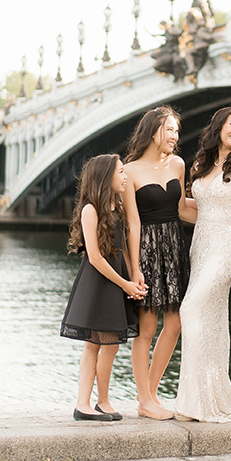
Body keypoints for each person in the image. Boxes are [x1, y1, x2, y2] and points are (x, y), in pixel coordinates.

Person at [174, 106, 231, 422]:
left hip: (228, 245)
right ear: (218, 126)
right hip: (200, 245)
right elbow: (193, 211)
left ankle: (201, 400)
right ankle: (199, 400)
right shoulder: (200, 163)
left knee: (191, 309)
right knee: (211, 318)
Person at [60, 154, 144, 422]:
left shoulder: (116, 207)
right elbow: (95, 257)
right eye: (120, 172)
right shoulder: (90, 210)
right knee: (96, 345)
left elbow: (121, 248)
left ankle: (100, 401)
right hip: (98, 283)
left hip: (116, 280)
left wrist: (134, 277)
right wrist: (125, 284)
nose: (125, 176)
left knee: (108, 345)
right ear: (105, 176)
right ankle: (86, 403)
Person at [124, 106, 191, 420]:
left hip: (175, 248)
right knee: (146, 329)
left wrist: (224, 213)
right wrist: (136, 267)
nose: (175, 137)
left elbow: (180, 209)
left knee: (175, 325)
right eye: (169, 130)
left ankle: (148, 395)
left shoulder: (178, 164)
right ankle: (146, 399)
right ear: (152, 131)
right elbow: (132, 223)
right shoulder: (130, 171)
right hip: (147, 252)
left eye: (177, 131)